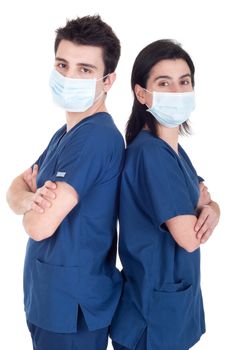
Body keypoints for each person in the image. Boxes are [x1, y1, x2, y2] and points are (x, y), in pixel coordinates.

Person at [6, 15, 124, 350]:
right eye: (62, 64)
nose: (69, 76)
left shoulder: (96, 138)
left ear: (108, 80)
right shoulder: (67, 135)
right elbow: (15, 187)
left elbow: (40, 227)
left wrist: (28, 206)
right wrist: (28, 199)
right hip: (50, 301)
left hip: (72, 309)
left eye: (85, 69)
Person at [110, 39, 220, 350]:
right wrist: (206, 209)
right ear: (141, 93)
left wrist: (213, 207)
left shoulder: (171, 151)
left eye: (184, 81)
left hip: (171, 307)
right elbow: (188, 237)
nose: (177, 91)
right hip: (151, 315)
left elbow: (204, 197)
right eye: (164, 82)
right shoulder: (150, 155)